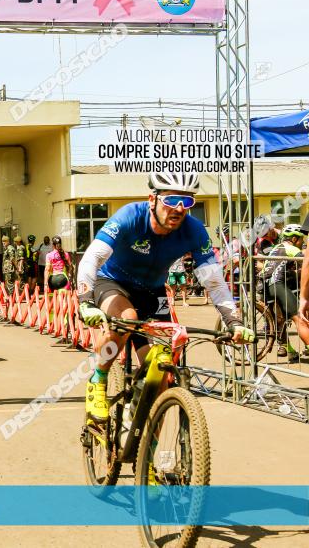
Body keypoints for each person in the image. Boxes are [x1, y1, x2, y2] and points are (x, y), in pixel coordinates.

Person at [77, 172, 254, 424]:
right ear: (153, 199)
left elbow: (214, 281)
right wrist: (85, 300)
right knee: (127, 318)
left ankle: (149, 451)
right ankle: (99, 378)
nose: (179, 209)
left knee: (159, 371)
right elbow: (91, 257)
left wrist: (233, 321)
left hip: (153, 291)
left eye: (187, 202)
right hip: (113, 283)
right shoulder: (130, 217)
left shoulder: (193, 231)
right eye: (171, 200)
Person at [259, 224, 309, 362]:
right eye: (301, 240)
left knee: (278, 321)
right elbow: (306, 263)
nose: (302, 243)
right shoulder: (291, 248)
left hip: (263, 286)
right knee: (299, 318)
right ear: (294, 239)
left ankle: (290, 351)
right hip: (276, 284)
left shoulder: (275, 248)